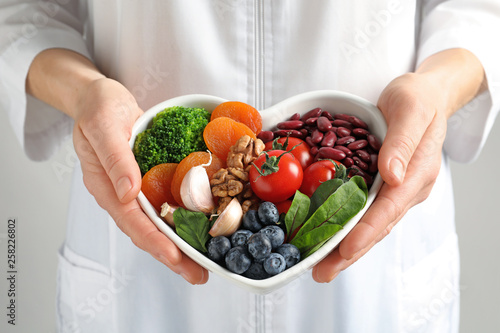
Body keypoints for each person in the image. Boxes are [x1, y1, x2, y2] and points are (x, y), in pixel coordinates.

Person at [1, 1, 499, 332]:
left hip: (371, 262)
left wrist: (436, 88)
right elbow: (25, 13)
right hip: (146, 243)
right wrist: (86, 92)